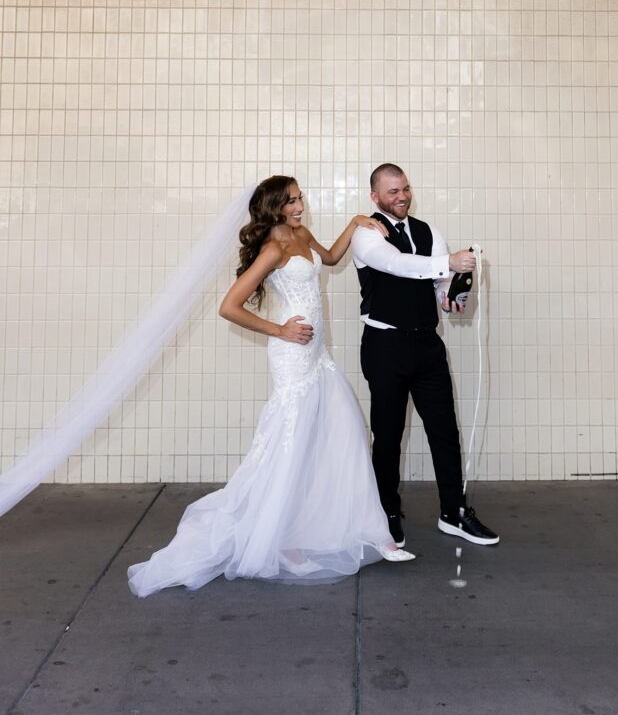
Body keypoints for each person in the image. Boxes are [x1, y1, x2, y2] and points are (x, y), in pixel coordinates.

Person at [127, 176, 414, 597]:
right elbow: (230, 306)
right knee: (292, 442)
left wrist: (355, 223)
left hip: (318, 354)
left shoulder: (300, 233)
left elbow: (332, 259)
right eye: (292, 201)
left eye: (300, 198)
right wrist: (278, 329)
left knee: (344, 432)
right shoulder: (275, 246)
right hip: (293, 356)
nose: (300, 206)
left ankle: (365, 529)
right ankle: (282, 536)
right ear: (275, 206)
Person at [351, 163, 500, 551]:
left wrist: (449, 297)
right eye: (391, 192)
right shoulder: (365, 233)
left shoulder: (428, 231)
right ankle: (386, 512)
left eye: (404, 189)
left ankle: (454, 512)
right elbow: (397, 265)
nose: (401, 197)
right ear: (375, 197)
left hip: (427, 345)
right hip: (385, 346)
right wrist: (447, 262)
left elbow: (436, 284)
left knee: (445, 432)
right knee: (387, 435)